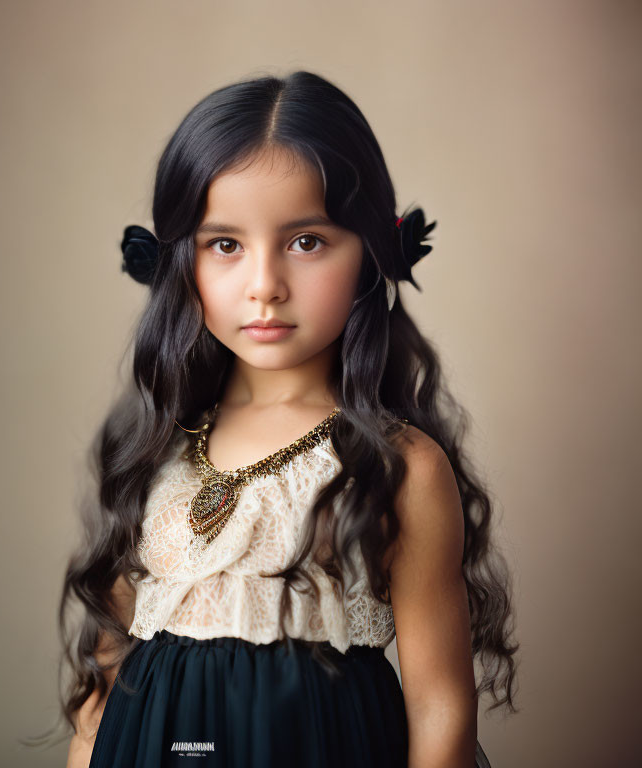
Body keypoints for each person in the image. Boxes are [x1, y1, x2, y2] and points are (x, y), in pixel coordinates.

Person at [26, 70, 519, 767]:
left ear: (371, 256)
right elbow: (101, 688)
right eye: (224, 244)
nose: (264, 284)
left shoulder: (398, 467)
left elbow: (440, 706)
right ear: (180, 264)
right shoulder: (153, 448)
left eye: (306, 241)